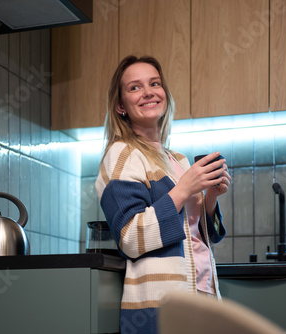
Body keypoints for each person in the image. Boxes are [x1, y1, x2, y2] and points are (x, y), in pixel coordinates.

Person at [95, 55, 231, 334]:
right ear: (121, 106)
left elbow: (201, 237)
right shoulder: (122, 155)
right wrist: (184, 189)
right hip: (162, 308)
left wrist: (210, 198)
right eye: (135, 87)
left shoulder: (177, 160)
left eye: (154, 83)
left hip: (201, 295)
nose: (148, 92)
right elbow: (130, 238)